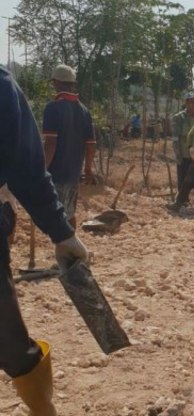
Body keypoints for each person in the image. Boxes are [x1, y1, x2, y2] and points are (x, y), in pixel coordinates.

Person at [1, 65, 89, 416]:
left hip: (59, 175)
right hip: (65, 176)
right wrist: (62, 230)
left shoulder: (55, 106)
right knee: (8, 340)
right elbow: (29, 166)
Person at [42, 64, 96, 230]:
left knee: (55, 217)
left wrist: (41, 170)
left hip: (56, 174)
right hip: (74, 173)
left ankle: (67, 250)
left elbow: (51, 143)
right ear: (73, 84)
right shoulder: (84, 110)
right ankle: (73, 248)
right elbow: (91, 144)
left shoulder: (52, 108)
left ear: (55, 82)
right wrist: (87, 169)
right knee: (70, 213)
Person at [171, 92, 194, 206]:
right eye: (191, 101)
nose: (193, 104)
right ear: (186, 102)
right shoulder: (179, 118)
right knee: (183, 179)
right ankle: (182, 202)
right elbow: (175, 138)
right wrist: (178, 154)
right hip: (184, 154)